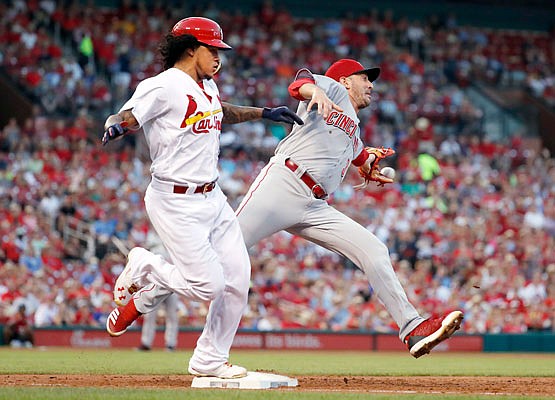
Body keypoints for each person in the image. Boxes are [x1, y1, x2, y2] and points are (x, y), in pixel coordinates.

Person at [102, 16, 302, 379]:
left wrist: (264, 113)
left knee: (238, 279)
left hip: (212, 197)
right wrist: (117, 124)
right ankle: (147, 264)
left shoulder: (206, 86)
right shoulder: (164, 85)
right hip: (174, 199)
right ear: (190, 49)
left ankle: (209, 359)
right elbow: (129, 113)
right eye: (212, 49)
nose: (219, 57)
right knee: (208, 285)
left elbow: (219, 111)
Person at [236, 59, 464, 358]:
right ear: (345, 81)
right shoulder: (333, 90)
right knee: (222, 251)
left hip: (315, 205)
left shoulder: (353, 128)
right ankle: (152, 294)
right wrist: (311, 91)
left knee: (374, 250)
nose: (371, 85)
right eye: (364, 78)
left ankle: (412, 327)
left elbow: (359, 155)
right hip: (284, 185)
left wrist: (368, 164)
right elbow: (300, 81)